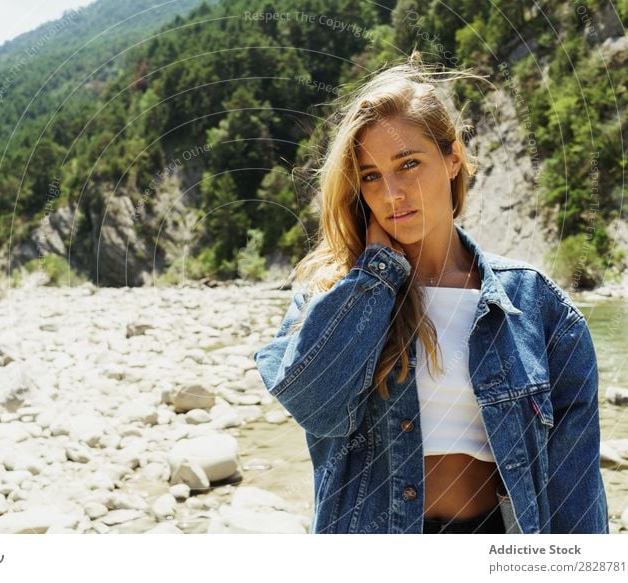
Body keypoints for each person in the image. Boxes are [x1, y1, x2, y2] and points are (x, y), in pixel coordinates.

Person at [252, 52, 609, 534]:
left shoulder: (537, 306)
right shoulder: (334, 296)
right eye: (371, 176)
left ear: (452, 158)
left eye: (408, 164)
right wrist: (377, 277)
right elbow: (315, 404)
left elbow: (576, 483)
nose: (391, 193)